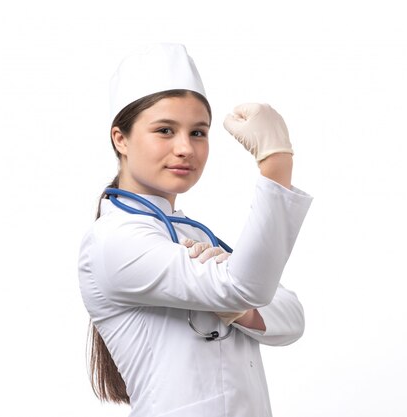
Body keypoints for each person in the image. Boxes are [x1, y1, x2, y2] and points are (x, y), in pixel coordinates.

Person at [78, 43, 313, 417]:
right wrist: (276, 164)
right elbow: (247, 287)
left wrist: (238, 310)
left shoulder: (193, 235)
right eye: (165, 130)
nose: (185, 148)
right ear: (120, 139)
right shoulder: (114, 240)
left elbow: (292, 317)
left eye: (198, 132)